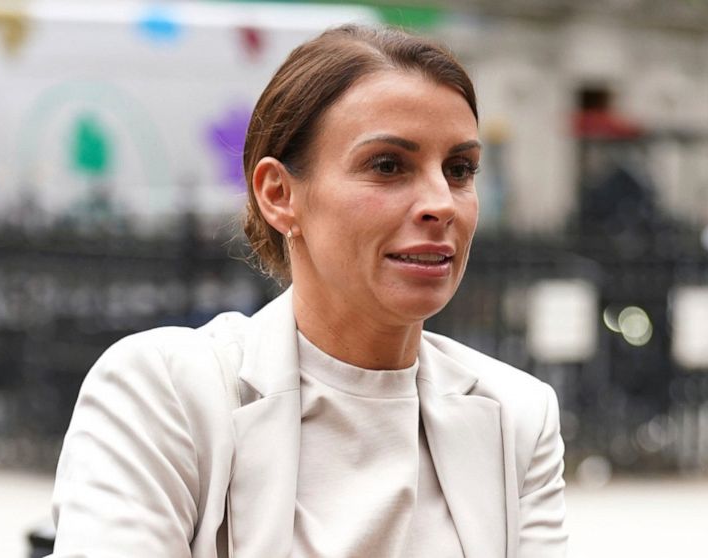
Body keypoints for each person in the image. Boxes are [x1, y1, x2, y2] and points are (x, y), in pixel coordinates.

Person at [51, 24, 567, 558]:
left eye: (459, 170)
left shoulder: (517, 415)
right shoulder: (165, 391)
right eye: (388, 166)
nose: (441, 203)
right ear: (279, 194)